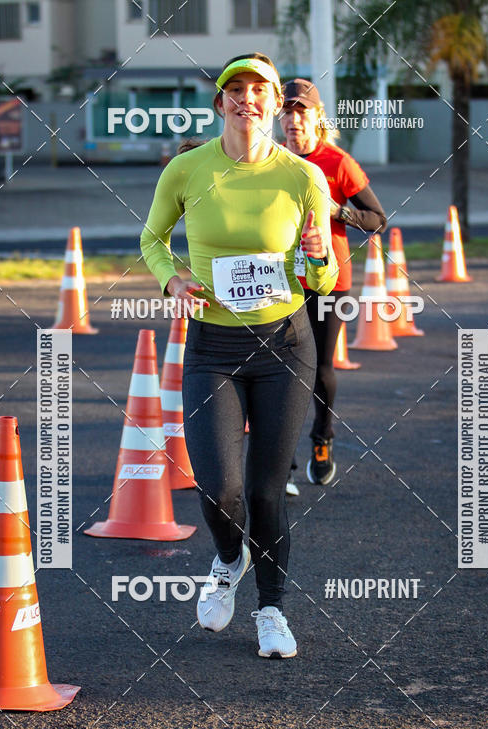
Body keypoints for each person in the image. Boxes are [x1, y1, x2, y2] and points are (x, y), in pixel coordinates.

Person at [141, 53, 337, 658]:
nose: (247, 99)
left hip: (284, 343)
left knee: (264, 490)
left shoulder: (303, 178)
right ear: (221, 101)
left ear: (276, 103)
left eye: (260, 90)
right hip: (212, 347)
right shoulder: (187, 169)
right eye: (236, 90)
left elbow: (324, 278)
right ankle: (229, 559)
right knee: (217, 486)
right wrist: (171, 278)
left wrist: (316, 259)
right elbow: (152, 239)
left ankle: (272, 611)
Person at [280, 79, 387, 485]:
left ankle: (322, 438)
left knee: (320, 367)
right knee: (282, 369)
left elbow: (378, 219)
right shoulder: (269, 159)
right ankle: (281, 459)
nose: (293, 119)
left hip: (331, 281)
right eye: (287, 112)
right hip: (282, 280)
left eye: (301, 111)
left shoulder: (338, 162)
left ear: (316, 117)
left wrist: (338, 211)